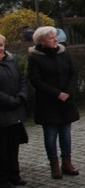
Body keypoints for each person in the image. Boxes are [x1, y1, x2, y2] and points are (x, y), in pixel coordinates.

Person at [27, 26, 81, 179]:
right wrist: (57, 94)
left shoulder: (63, 53)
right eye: (51, 38)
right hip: (48, 103)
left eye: (55, 37)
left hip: (66, 101)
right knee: (50, 135)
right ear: (42, 41)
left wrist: (68, 92)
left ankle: (67, 162)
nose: (55, 40)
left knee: (66, 134)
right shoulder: (35, 58)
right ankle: (54, 165)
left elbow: (73, 73)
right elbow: (35, 80)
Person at [0, 34, 29, 188]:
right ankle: (3, 178)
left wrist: (21, 96)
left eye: (2, 44)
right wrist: (11, 101)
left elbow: (22, 79)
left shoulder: (11, 61)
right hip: (2, 113)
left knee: (14, 146)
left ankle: (15, 174)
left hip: (15, 112)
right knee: (2, 148)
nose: (1, 48)